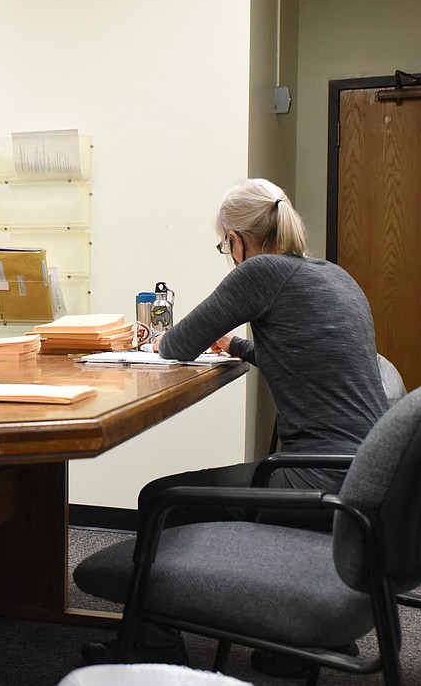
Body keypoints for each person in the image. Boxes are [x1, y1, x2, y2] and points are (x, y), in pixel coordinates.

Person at [78, 178, 388, 672]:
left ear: (239, 240)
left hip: (315, 479)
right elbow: (303, 357)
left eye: (226, 244)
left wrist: (186, 339)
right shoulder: (334, 275)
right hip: (368, 474)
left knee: (162, 500)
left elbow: (174, 344)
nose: (228, 253)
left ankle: (154, 644)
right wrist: (238, 346)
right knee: (204, 491)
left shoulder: (260, 272)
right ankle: (299, 641)